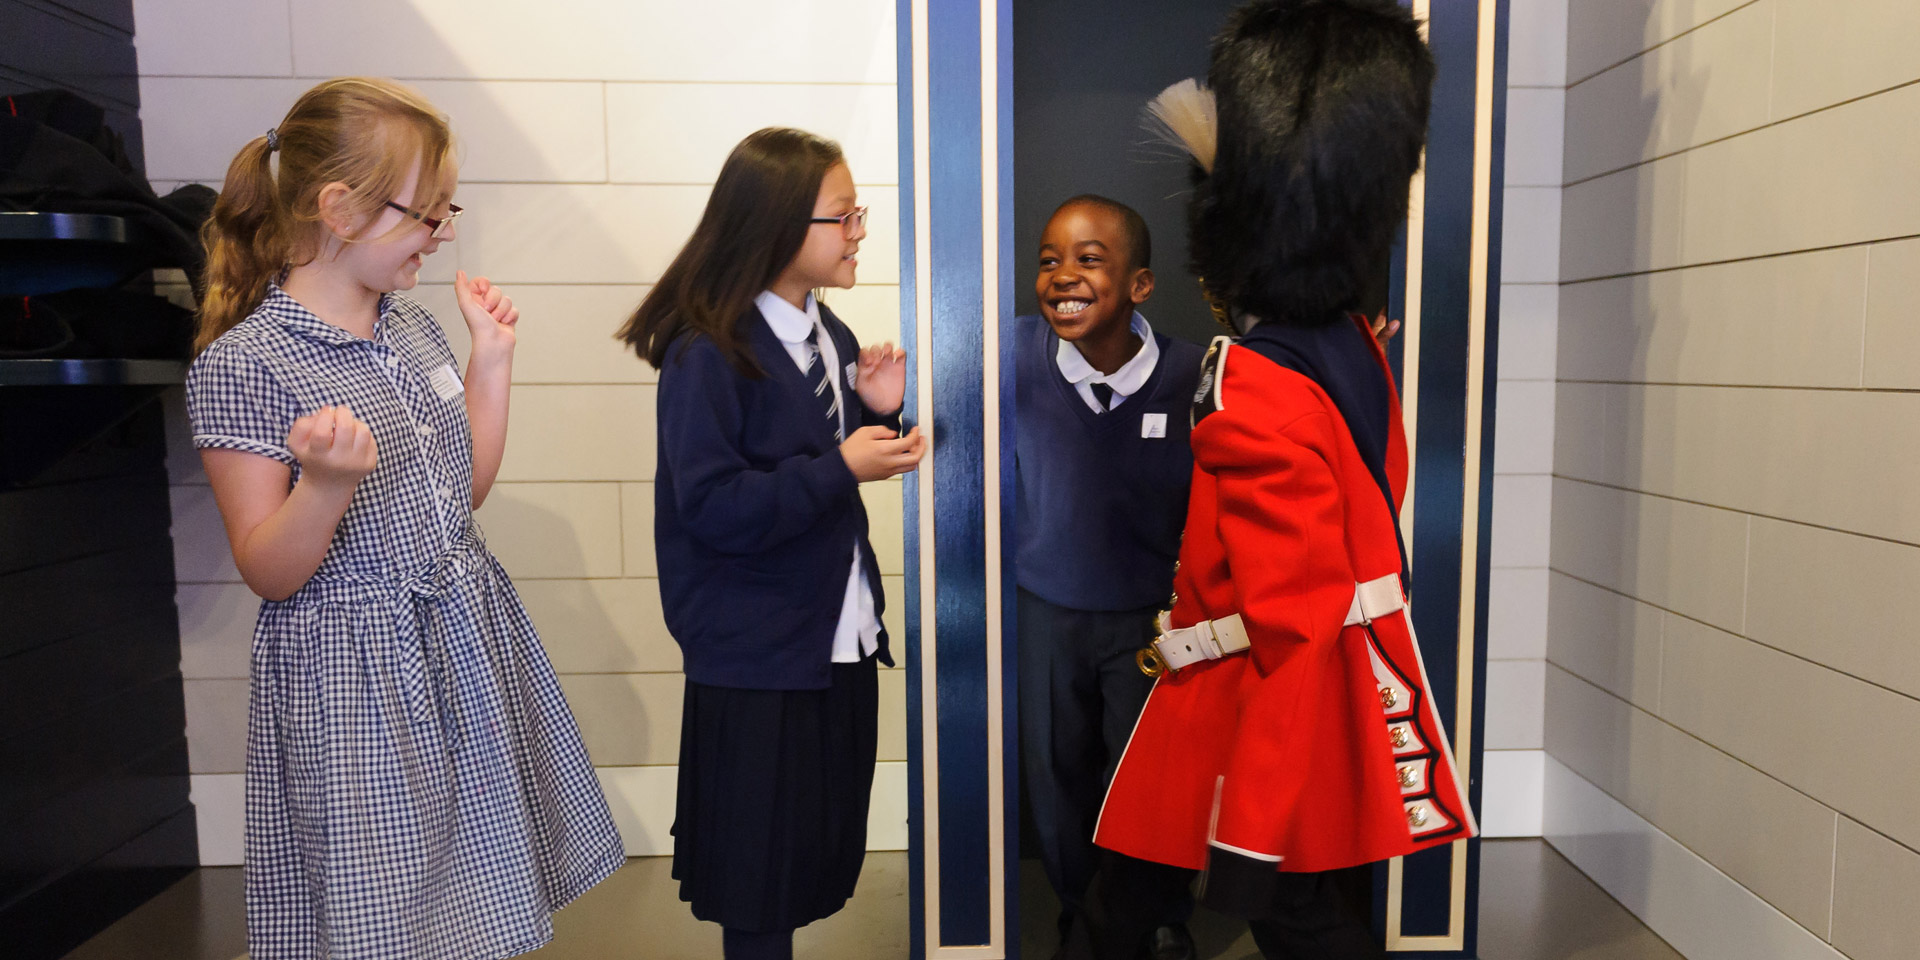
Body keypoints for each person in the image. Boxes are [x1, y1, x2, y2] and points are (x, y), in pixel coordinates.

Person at [185, 77, 623, 960]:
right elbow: (270, 570)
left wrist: (491, 364)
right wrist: (323, 486)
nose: (444, 232)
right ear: (339, 209)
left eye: (446, 210)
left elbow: (455, 498)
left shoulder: (413, 332)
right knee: (382, 910)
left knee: (473, 893)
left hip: (458, 643)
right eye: (427, 213)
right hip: (356, 680)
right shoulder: (245, 365)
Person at [1086, 2, 1476, 958]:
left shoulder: (1255, 388)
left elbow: (1291, 628)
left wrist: (1249, 833)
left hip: (1250, 701)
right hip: (1331, 688)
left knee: (1233, 914)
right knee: (1162, 905)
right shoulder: (1351, 352)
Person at [622, 127, 926, 960]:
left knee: (809, 856)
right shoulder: (708, 354)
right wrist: (843, 462)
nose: (859, 230)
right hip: (757, 652)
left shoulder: (830, 337)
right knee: (757, 879)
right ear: (779, 226)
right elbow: (715, 508)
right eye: (844, 216)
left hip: (833, 639)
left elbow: (819, 467)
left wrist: (875, 414)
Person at [1014, 195, 1201, 960]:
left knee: (1148, 780)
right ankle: (1079, 916)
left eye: (1089, 260)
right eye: (1049, 259)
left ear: (1140, 285)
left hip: (1153, 620)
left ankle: (1153, 920)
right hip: (1047, 614)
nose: (1063, 276)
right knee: (1057, 776)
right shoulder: (1012, 355)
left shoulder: (1195, 372)